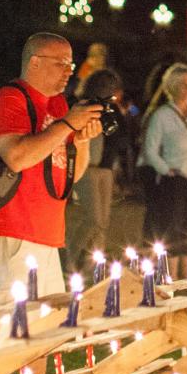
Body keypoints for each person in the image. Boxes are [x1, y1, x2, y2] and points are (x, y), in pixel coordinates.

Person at [0, 33, 102, 302]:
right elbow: (16, 157)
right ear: (34, 62)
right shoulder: (10, 99)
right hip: (10, 230)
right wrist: (67, 125)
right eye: (61, 64)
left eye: (71, 64)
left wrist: (82, 139)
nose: (69, 72)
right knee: (8, 329)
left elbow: (71, 175)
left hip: (47, 234)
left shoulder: (58, 105)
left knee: (46, 329)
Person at [139, 63, 187, 264]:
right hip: (176, 177)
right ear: (172, 86)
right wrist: (165, 169)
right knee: (173, 225)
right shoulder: (162, 115)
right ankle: (171, 268)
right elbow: (150, 149)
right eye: (183, 84)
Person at [67, 68, 127, 262]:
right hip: (87, 167)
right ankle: (70, 257)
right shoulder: (81, 107)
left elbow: (119, 139)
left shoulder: (111, 111)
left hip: (105, 168)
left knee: (103, 222)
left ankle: (93, 265)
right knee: (95, 220)